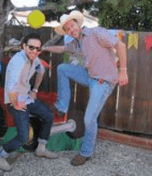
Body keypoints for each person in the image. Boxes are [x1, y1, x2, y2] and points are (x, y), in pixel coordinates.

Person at [42, 10, 129, 166]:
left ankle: (86, 152)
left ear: (77, 24)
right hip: (90, 76)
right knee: (62, 68)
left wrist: (123, 71)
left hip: (103, 81)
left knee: (89, 119)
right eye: (68, 29)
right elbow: (63, 49)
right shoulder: (77, 42)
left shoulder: (95, 33)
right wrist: (46, 49)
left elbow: (120, 45)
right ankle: (61, 106)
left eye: (72, 25)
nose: (71, 29)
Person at [0, 33, 59, 172]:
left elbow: (41, 71)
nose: (35, 51)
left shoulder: (34, 59)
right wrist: (15, 103)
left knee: (48, 116)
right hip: (14, 100)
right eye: (31, 47)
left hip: (27, 98)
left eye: (38, 49)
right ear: (24, 46)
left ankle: (41, 148)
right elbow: (11, 86)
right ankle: (0, 154)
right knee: (23, 137)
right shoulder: (18, 61)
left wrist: (34, 89)